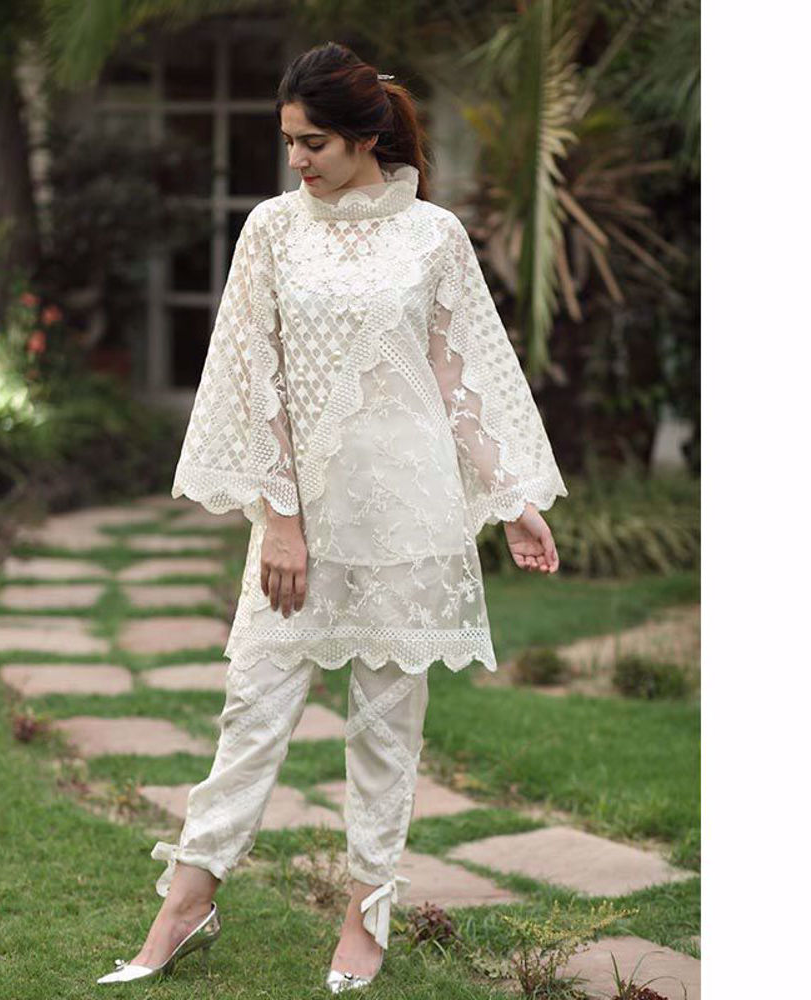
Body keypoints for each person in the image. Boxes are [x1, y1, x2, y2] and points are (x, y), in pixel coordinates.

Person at [97, 41, 566, 993]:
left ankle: (365, 913)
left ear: (364, 137)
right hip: (302, 520)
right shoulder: (272, 230)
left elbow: (462, 376)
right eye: (289, 141)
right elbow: (252, 375)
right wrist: (281, 519)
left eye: (312, 142)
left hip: (409, 513)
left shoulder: (435, 236)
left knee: (388, 726)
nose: (297, 159)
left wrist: (512, 500)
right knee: (253, 708)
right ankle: (186, 901)